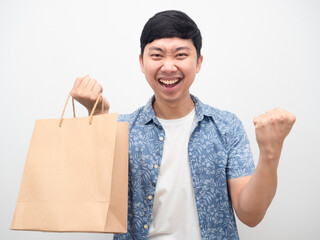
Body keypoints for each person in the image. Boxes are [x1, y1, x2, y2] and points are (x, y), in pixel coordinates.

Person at [71, 10, 295, 240]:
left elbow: (251, 215)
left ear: (198, 62)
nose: (168, 67)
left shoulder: (226, 127)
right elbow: (94, 200)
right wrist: (97, 121)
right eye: (157, 55)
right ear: (142, 62)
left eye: (180, 55)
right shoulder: (122, 128)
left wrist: (270, 152)